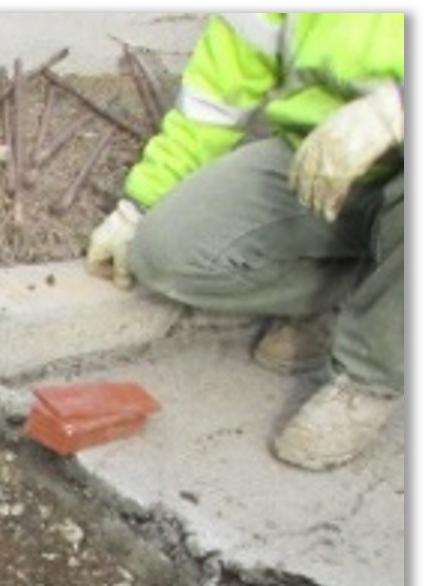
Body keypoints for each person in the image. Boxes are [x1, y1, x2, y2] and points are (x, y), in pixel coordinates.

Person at [85, 13, 403, 471]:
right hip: (317, 154)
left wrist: (396, 110)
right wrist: (140, 202)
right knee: (167, 252)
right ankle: (357, 291)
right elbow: (218, 88)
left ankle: (369, 379)